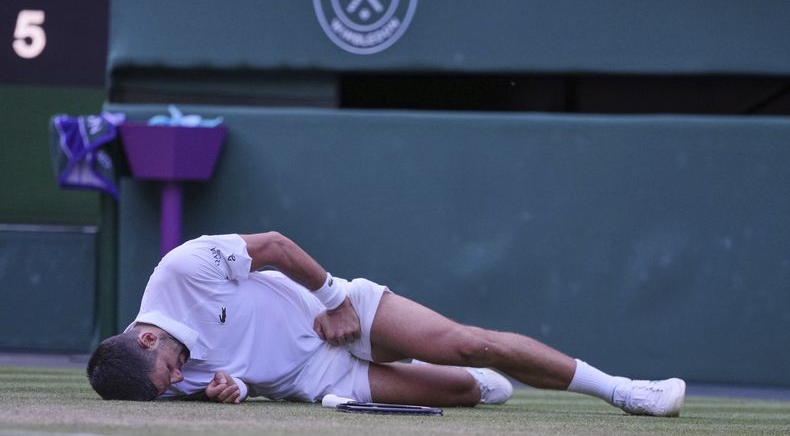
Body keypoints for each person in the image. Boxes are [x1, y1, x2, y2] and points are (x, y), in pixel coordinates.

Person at [87, 232, 686, 416]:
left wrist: (333, 300)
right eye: (170, 387)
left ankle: (624, 391)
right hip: (318, 380)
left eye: (170, 372)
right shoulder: (157, 380)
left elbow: (273, 246)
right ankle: (452, 374)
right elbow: (233, 382)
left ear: (148, 337)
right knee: (467, 390)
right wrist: (234, 390)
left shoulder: (181, 268)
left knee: (468, 344)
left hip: (338, 314)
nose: (180, 380)